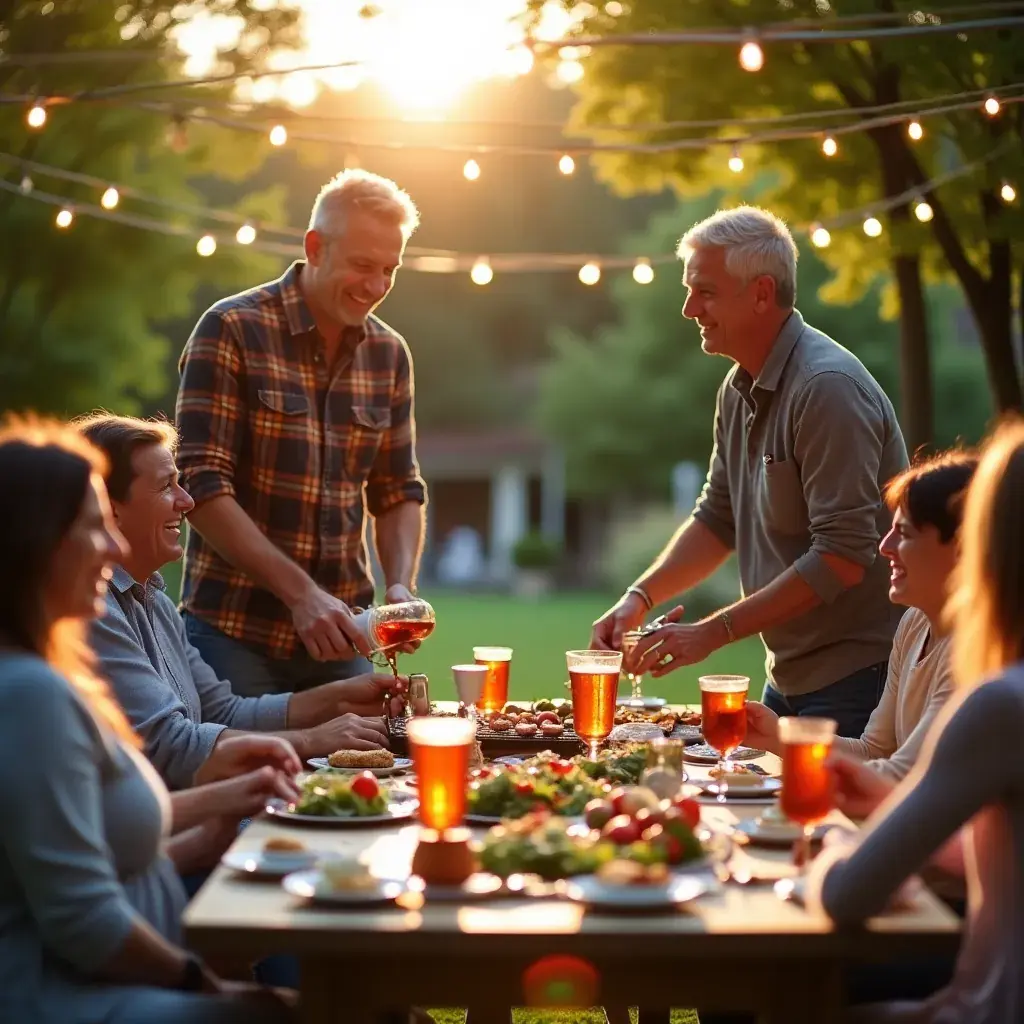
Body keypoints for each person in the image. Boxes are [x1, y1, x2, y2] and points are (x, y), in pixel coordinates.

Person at [0, 419, 293, 1023]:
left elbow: (82, 844)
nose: (111, 547)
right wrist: (204, 984)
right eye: (92, 526)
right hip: (70, 1000)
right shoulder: (30, 696)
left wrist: (214, 819)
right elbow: (83, 920)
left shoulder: (45, 678)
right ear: (36, 544)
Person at [593, 206, 907, 737]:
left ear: (762, 293)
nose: (690, 308)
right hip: (786, 679)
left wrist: (711, 634)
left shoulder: (826, 388)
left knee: (832, 821)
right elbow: (719, 519)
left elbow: (843, 558)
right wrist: (638, 598)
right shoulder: (738, 388)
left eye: (706, 291)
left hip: (859, 680)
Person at [804, 417, 1024, 1023]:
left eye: (905, 533)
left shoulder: (1001, 701)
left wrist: (830, 838)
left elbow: (844, 894)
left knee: (771, 983)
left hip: (978, 1002)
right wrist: (879, 803)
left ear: (979, 543)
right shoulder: (924, 635)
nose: (884, 548)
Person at [176, 168, 427, 697]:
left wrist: (400, 585)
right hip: (231, 634)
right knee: (248, 775)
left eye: (390, 269)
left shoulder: (390, 354)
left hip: (345, 637)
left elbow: (398, 490)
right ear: (315, 247)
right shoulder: (231, 329)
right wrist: (302, 596)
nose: (377, 287)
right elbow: (199, 484)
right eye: (363, 265)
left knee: (366, 774)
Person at [77, 413, 404, 790]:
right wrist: (312, 740)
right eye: (166, 487)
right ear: (108, 506)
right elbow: (171, 746)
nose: (186, 501)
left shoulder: (156, 604)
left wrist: (338, 699)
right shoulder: (94, 611)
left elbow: (223, 712)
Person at [743, 450, 977, 780]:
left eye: (905, 533)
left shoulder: (972, 651)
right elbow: (875, 751)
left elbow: (902, 776)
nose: (885, 546)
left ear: (963, 547)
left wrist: (805, 772)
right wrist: (778, 736)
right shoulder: (913, 624)